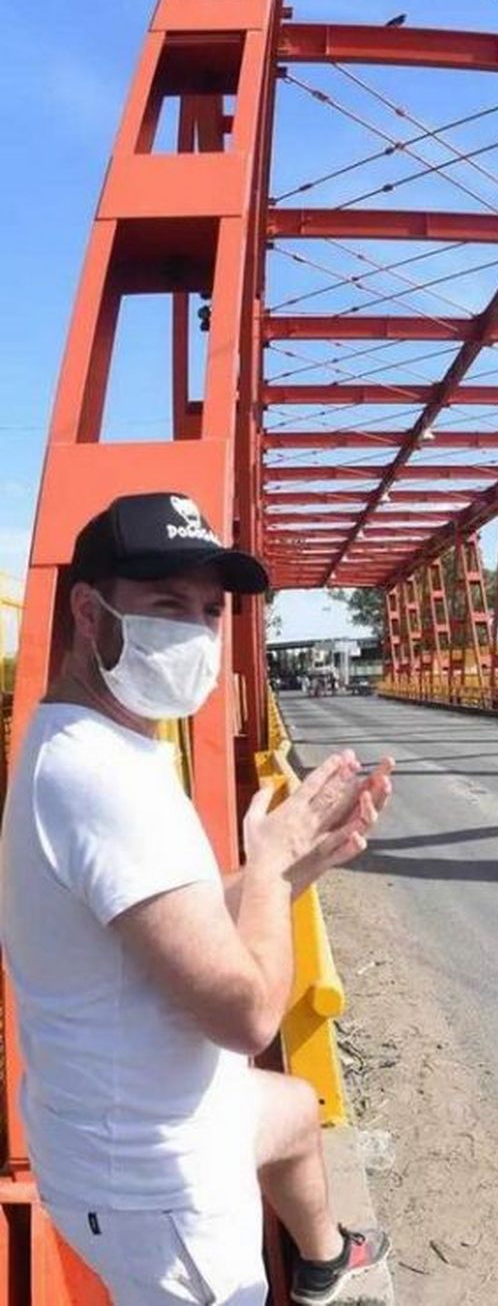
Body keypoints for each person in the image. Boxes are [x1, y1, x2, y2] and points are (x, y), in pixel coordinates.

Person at [0, 492, 395, 1306]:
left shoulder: (99, 739)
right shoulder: (100, 778)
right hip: (157, 1186)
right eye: (167, 606)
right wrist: (274, 859)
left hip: (128, 1125)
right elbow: (248, 1016)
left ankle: (322, 1263)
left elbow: (167, 916)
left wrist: (299, 862)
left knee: (287, 1108)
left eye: (212, 610)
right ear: (89, 610)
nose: (197, 631)